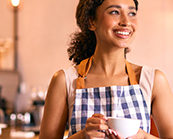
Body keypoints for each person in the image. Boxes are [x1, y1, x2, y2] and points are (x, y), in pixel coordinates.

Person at [39, 0, 173, 139]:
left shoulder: (153, 80)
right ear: (91, 21)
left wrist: (145, 137)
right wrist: (82, 136)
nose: (126, 21)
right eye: (114, 12)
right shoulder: (64, 80)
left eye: (132, 13)